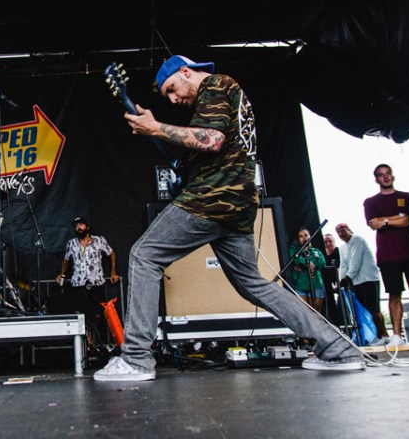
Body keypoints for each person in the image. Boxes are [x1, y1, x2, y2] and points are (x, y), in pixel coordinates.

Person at [94, 55, 365, 381]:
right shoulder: (220, 99)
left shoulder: (216, 84)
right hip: (238, 205)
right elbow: (210, 145)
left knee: (144, 254)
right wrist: (159, 132)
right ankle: (338, 349)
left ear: (185, 72)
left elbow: (213, 140)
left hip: (212, 198)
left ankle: (136, 359)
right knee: (253, 284)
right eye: (167, 96)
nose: (173, 99)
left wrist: (157, 128)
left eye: (172, 89)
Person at [364, 163, 409, 345]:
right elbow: (374, 224)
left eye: (388, 173)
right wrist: (398, 217)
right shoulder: (370, 202)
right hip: (388, 255)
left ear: (393, 176)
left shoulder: (408, 197)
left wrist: (386, 220)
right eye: (381, 174)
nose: (385, 177)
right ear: (376, 179)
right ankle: (396, 336)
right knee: (394, 294)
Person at [55, 218, 120, 340]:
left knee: (98, 314)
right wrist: (62, 274)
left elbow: (111, 253)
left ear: (87, 227)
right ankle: (86, 344)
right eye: (76, 226)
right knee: (81, 315)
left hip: (96, 283)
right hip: (78, 284)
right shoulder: (71, 243)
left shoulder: (99, 240)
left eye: (81, 224)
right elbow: (66, 260)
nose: (78, 227)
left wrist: (113, 271)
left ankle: (98, 343)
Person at [335, 223, 388, 342]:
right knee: (362, 311)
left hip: (368, 279)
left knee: (373, 309)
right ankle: (372, 336)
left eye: (342, 230)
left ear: (349, 229)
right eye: (338, 232)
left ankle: (382, 335)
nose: (341, 234)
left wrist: (348, 277)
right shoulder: (343, 247)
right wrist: (340, 280)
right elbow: (343, 265)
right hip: (356, 282)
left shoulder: (357, 239)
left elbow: (356, 260)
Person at [288, 228, 326, 313]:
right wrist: (307, 263)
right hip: (300, 286)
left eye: (306, 235)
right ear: (298, 239)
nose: (304, 237)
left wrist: (312, 265)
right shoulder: (294, 250)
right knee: (305, 312)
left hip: (316, 285)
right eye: (301, 236)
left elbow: (322, 263)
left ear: (310, 236)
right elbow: (295, 259)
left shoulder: (316, 251)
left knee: (316, 312)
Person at [321, 233, 340, 324]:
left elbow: (341, 267)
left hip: (339, 281)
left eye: (330, 241)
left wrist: (338, 282)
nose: (328, 243)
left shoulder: (339, 252)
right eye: (325, 242)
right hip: (327, 284)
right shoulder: (322, 255)